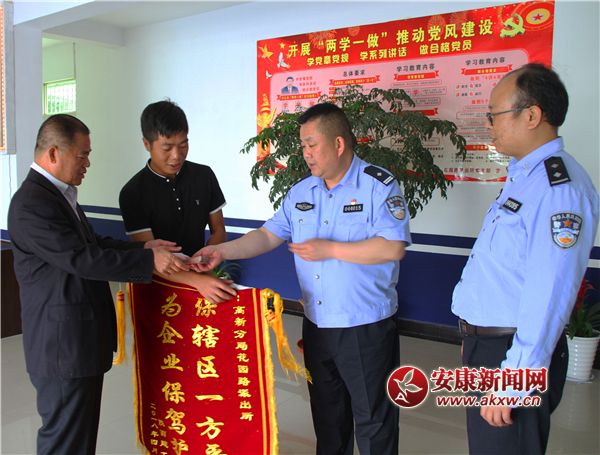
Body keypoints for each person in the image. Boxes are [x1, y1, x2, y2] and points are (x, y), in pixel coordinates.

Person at [193, 102, 411, 455]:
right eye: (303, 146)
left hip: (364, 327)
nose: (306, 153)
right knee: (328, 418)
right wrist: (222, 251)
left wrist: (332, 249)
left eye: (312, 145)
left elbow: (392, 247)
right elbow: (267, 236)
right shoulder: (301, 192)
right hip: (317, 325)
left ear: (338, 144)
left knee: (374, 421)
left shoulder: (378, 186)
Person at [7, 114, 188, 455]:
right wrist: (149, 262)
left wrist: (143, 248)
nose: (88, 163)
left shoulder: (59, 195)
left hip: (79, 342)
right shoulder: (32, 204)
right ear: (54, 153)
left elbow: (93, 245)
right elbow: (81, 259)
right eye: (83, 155)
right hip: (61, 346)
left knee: (79, 438)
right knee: (64, 442)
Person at [452, 63, 599, 454]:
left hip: (513, 355)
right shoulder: (525, 176)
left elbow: (549, 293)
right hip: (491, 347)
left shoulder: (558, 189)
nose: (489, 125)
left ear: (531, 115)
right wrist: (473, 338)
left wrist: (515, 379)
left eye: (495, 114)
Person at [119, 100, 236, 303]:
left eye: (183, 145)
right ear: (147, 144)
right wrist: (197, 281)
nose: (176, 156)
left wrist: (207, 260)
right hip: (158, 289)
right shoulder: (133, 192)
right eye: (167, 148)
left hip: (202, 278)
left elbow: (218, 229)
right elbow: (150, 257)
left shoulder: (204, 176)